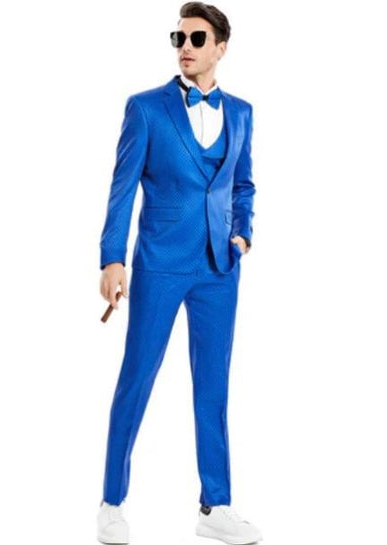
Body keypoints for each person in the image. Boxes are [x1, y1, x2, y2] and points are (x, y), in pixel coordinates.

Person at [96, 3, 262, 544]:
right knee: (137, 377)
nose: (185, 47)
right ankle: (111, 502)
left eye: (197, 38)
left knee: (214, 386)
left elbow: (243, 184)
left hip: (220, 267)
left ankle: (216, 505)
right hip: (160, 263)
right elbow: (122, 189)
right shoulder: (146, 108)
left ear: (221, 48)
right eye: (179, 37)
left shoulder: (241, 113)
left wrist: (243, 234)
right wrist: (113, 258)